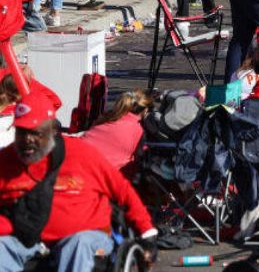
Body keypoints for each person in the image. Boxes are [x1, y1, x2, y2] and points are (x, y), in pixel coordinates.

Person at [0, 83, 157, 271]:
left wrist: (148, 234)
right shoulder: (5, 160)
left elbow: (123, 191)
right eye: (21, 132)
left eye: (35, 133)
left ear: (51, 130)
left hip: (85, 240)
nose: (27, 140)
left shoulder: (83, 155)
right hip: (26, 240)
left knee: (78, 243)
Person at [77, 89, 152, 172]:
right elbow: (139, 158)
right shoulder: (138, 131)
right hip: (96, 174)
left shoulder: (106, 118)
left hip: (75, 161)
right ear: (145, 111)